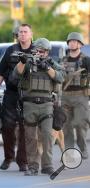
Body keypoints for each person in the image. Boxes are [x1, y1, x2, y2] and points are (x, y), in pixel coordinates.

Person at [12, 38, 65, 176]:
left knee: (47, 136)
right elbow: (15, 75)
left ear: (47, 52)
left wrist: (47, 67)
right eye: (37, 51)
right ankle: (33, 167)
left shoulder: (52, 64)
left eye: (42, 51)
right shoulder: (28, 63)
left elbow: (60, 77)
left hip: (47, 104)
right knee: (30, 137)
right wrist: (22, 62)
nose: (39, 53)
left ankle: (47, 166)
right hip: (29, 104)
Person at [0, 23, 33, 172]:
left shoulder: (36, 50)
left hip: (29, 95)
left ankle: (23, 161)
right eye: (20, 32)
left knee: (25, 128)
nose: (22, 34)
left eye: (25, 32)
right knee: (7, 126)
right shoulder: (10, 50)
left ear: (31, 34)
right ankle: (8, 158)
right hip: (11, 93)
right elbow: (1, 73)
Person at [61, 32, 90, 160]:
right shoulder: (62, 61)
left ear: (80, 44)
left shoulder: (86, 60)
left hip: (81, 96)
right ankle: (69, 152)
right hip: (65, 96)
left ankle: (83, 148)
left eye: (75, 41)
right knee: (66, 127)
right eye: (70, 41)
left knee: (80, 124)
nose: (72, 43)